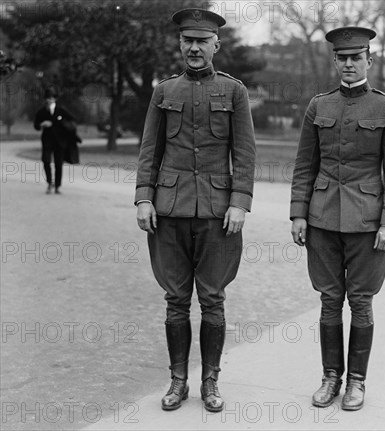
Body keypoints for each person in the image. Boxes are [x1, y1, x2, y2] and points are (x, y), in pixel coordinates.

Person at [135, 8, 256, 412]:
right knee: (175, 299)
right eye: (188, 41)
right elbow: (150, 150)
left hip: (219, 214)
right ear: (180, 44)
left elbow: (244, 153)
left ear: (216, 45)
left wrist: (239, 202)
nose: (194, 48)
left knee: (213, 299)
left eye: (202, 41)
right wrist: (143, 197)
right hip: (169, 211)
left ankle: (210, 382)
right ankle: (177, 381)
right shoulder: (165, 91)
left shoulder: (234, 92)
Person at [290, 26, 385, 411]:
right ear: (335, 61)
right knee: (328, 300)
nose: (349, 64)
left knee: (360, 301)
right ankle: (330, 378)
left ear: (369, 61)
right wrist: (298, 214)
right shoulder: (318, 106)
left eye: (356, 58)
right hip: (322, 219)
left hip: (368, 223)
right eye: (343, 58)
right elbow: (304, 167)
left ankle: (356, 382)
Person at [34, 87, 76, 194]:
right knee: (46, 161)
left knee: (58, 164)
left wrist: (61, 124)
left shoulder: (61, 110)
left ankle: (57, 186)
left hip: (59, 141)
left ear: (55, 99)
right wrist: (41, 125)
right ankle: (49, 182)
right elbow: (36, 125)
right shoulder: (42, 112)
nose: (50, 100)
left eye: (52, 98)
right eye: (48, 98)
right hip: (47, 141)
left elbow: (72, 119)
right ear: (45, 99)